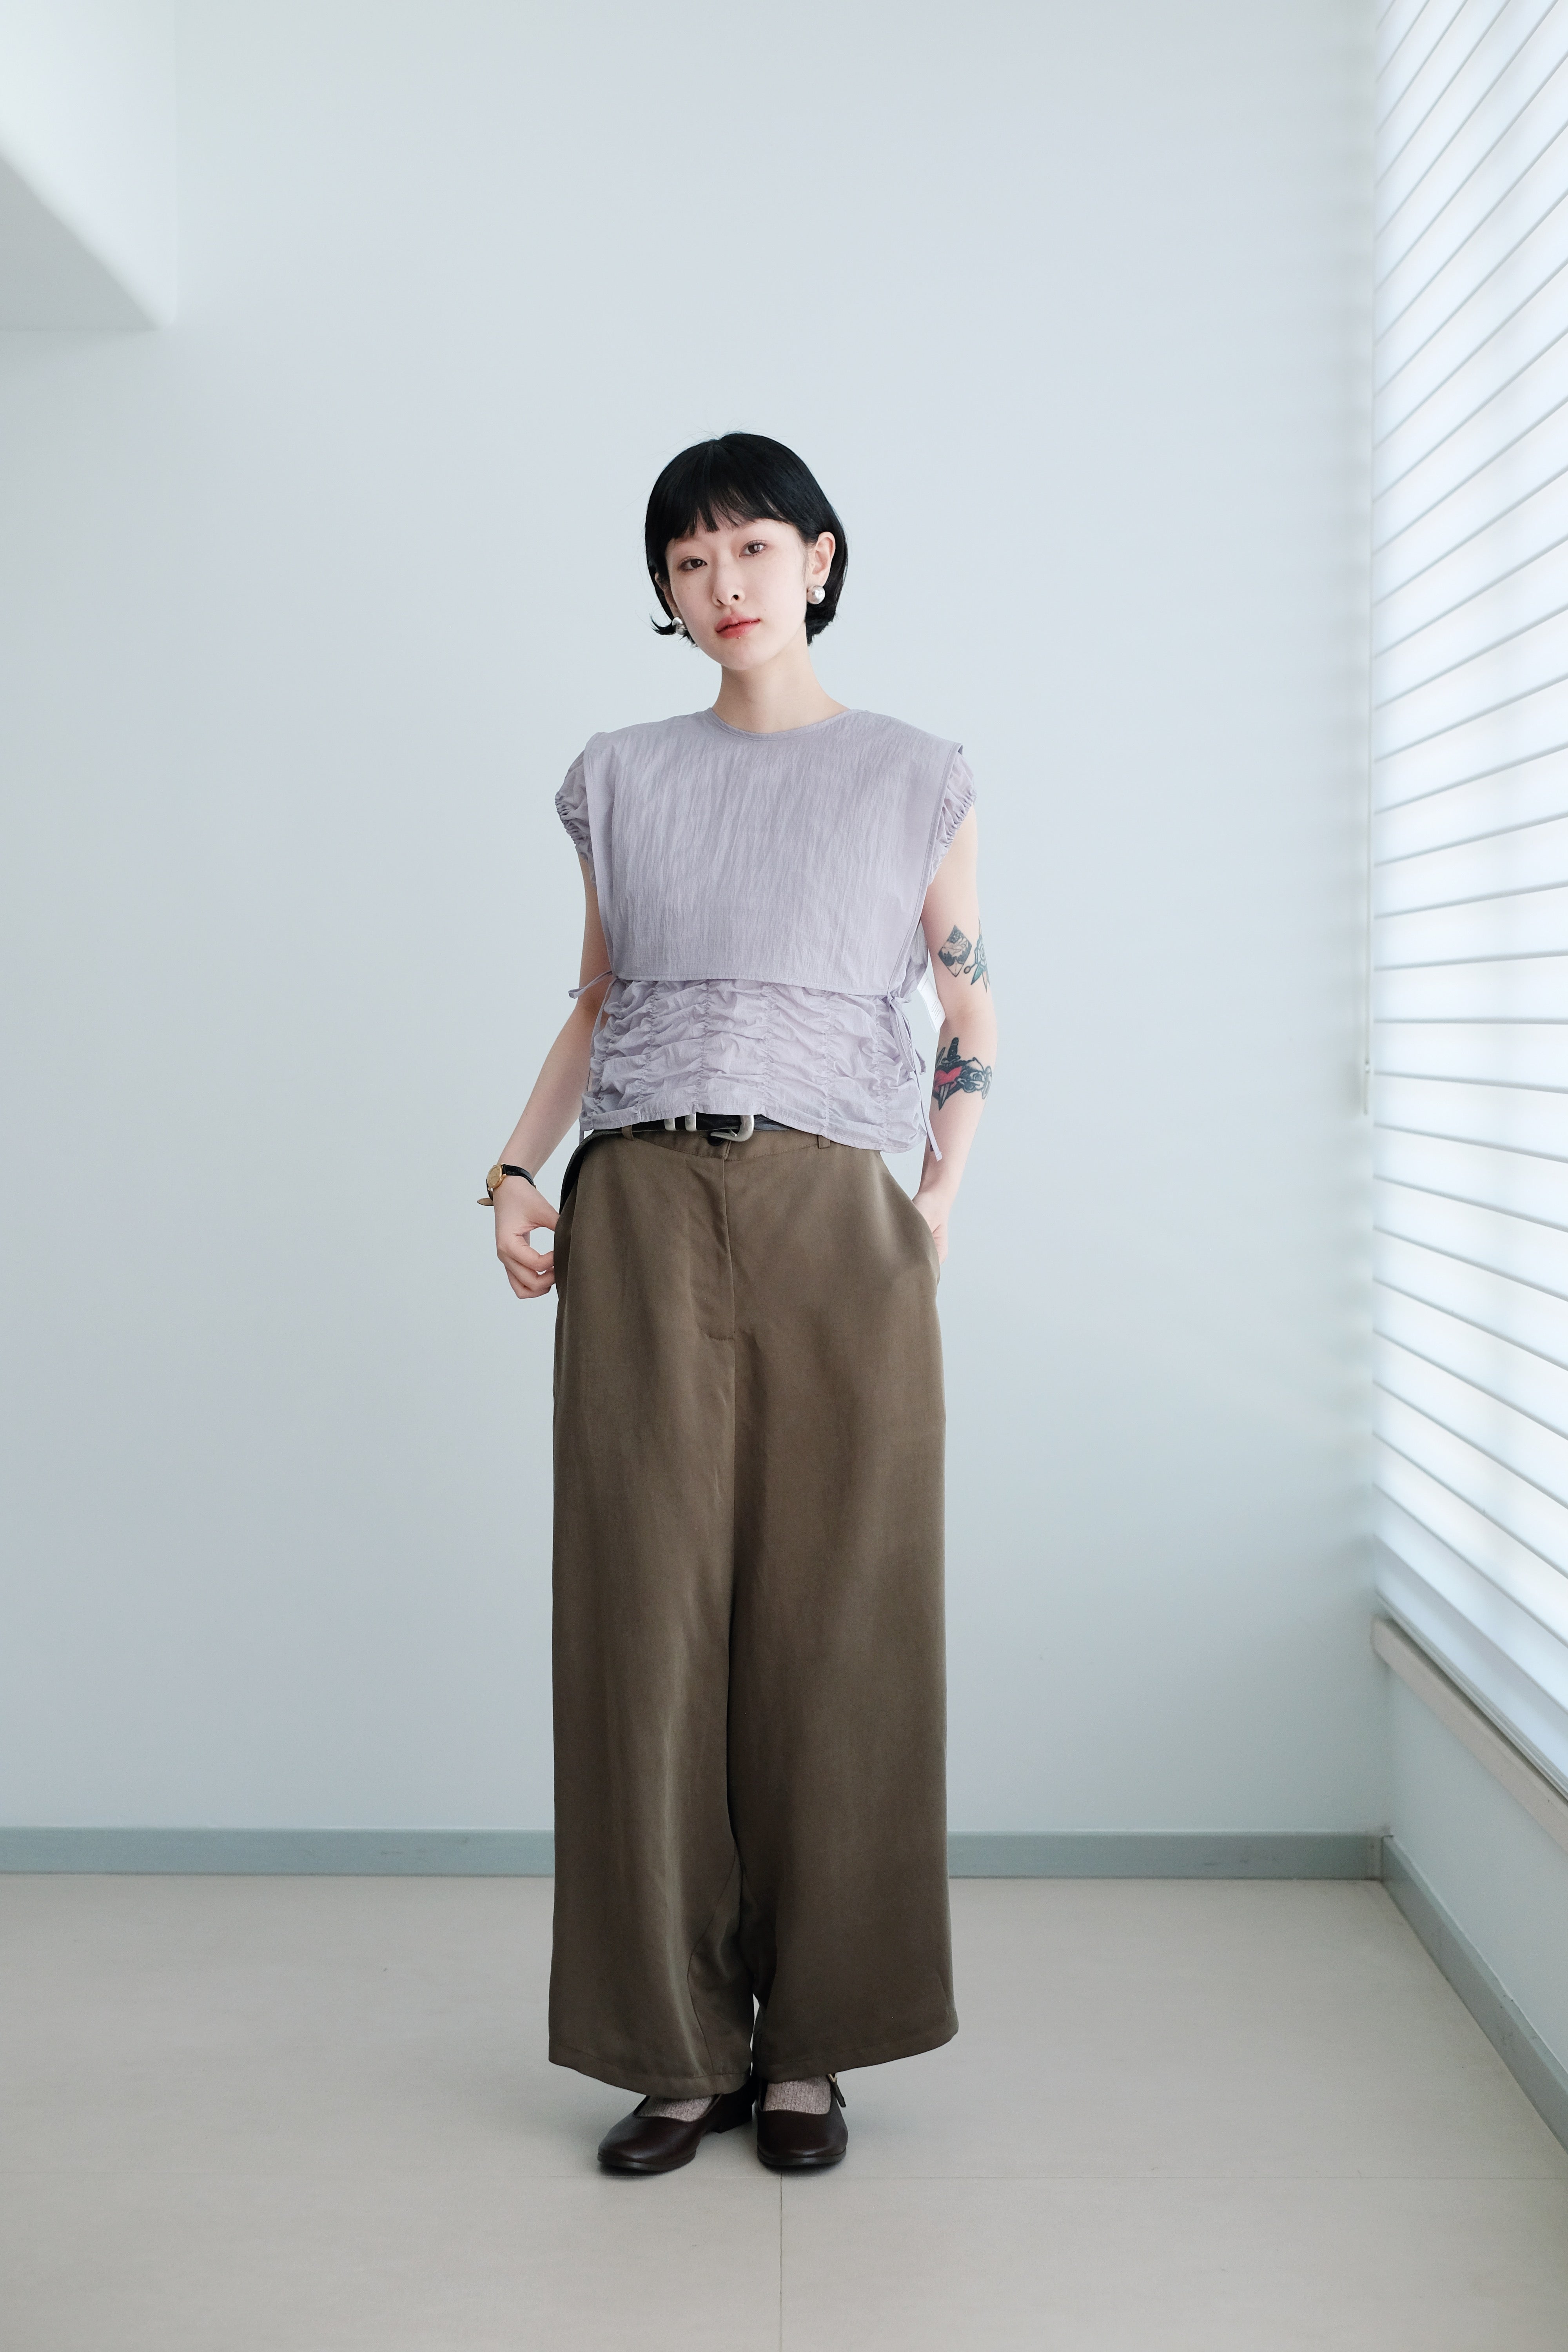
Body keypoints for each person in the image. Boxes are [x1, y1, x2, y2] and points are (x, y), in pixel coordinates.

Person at [481, 432, 996, 2174]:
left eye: (753, 549)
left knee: (841, 1612)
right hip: (638, 1199)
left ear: (820, 560)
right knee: (641, 1617)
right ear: (665, 591)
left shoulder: (916, 773)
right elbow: (597, 999)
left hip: (837, 1206)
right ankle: (675, 2046)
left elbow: (969, 1011)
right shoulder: (620, 776)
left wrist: (935, 1200)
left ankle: (816, 2049)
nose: (723, 586)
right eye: (688, 562)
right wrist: (516, 1168)